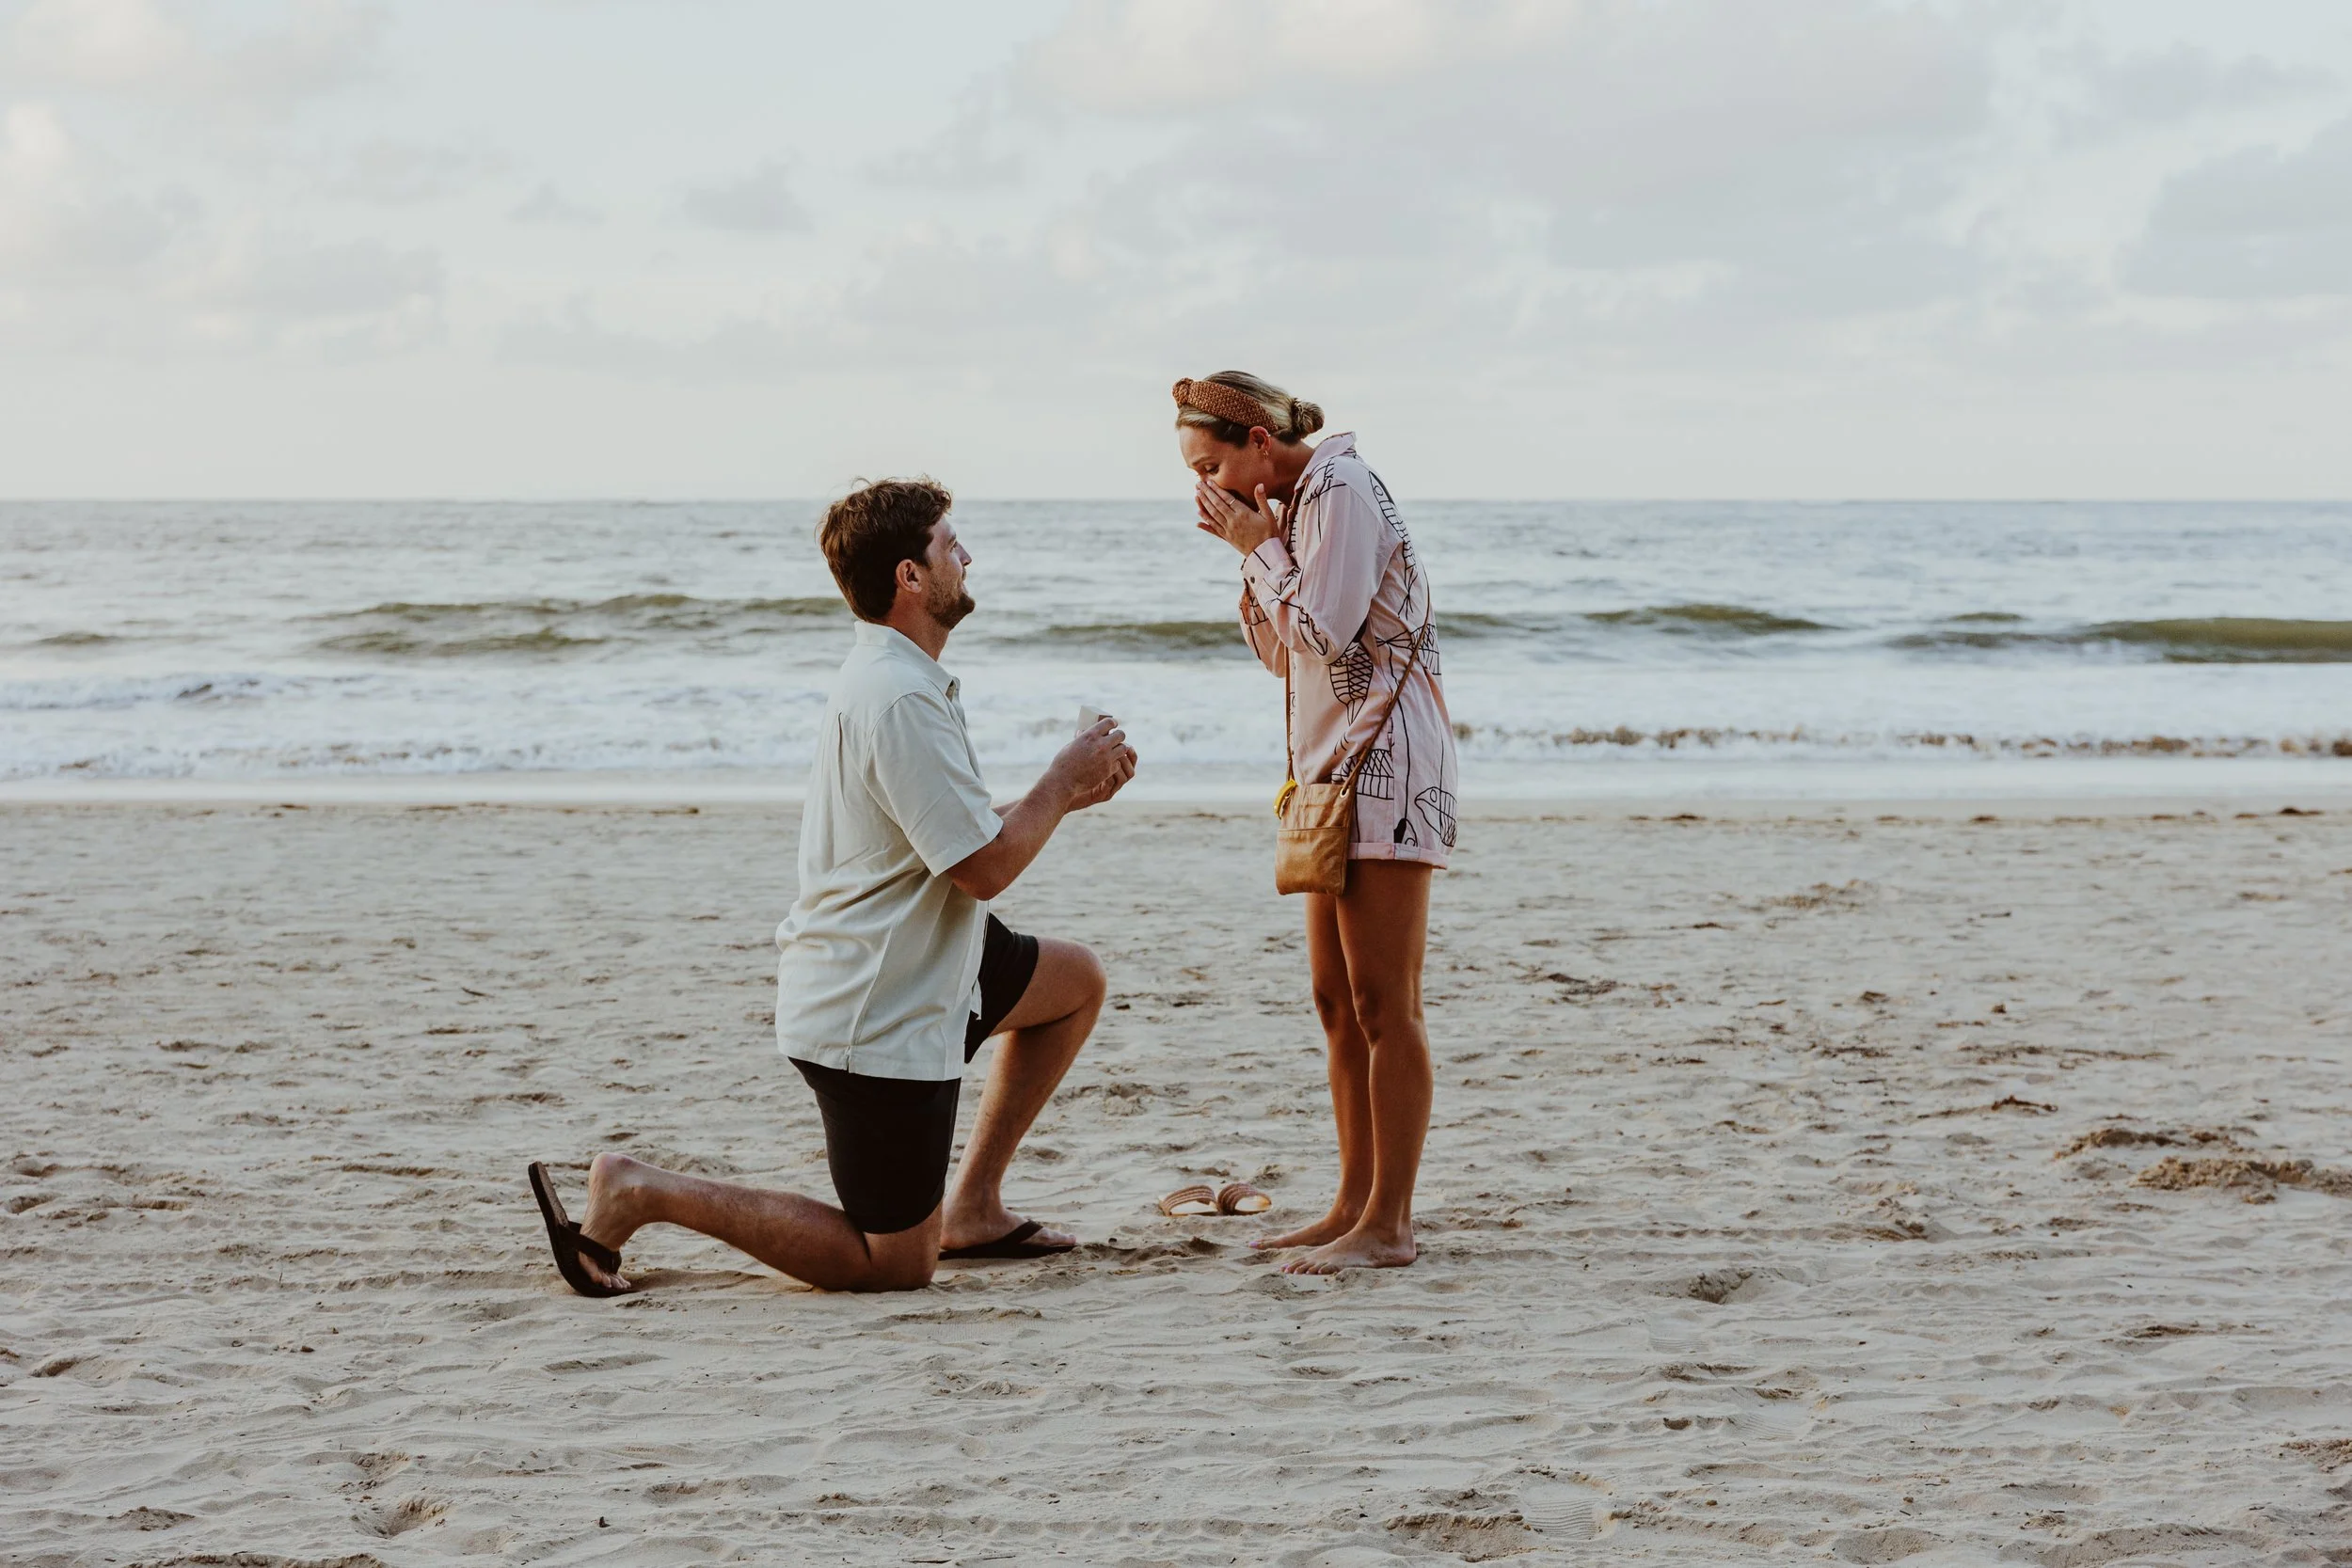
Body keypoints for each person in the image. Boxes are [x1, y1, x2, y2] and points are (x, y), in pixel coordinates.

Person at [529, 477, 1136, 1295]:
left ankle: (976, 1205)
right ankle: (641, 1190)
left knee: (1074, 982)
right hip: (877, 1003)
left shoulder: (904, 678)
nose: (967, 556)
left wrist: (1066, 791)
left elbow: (945, 828)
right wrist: (1059, 784)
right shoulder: (897, 698)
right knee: (893, 1264)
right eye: (950, 544)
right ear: (910, 578)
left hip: (930, 957)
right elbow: (985, 866)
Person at [1178, 372, 1457, 1274]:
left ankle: (1390, 1221)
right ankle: (1352, 1202)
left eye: (1213, 464)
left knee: (1385, 1004)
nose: (1209, 487)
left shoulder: (1339, 490)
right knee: (1336, 1003)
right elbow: (1284, 654)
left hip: (1388, 769)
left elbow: (1328, 632)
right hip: (1328, 773)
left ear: (1260, 442)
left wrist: (1260, 550)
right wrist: (1253, 554)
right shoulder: (1296, 508)